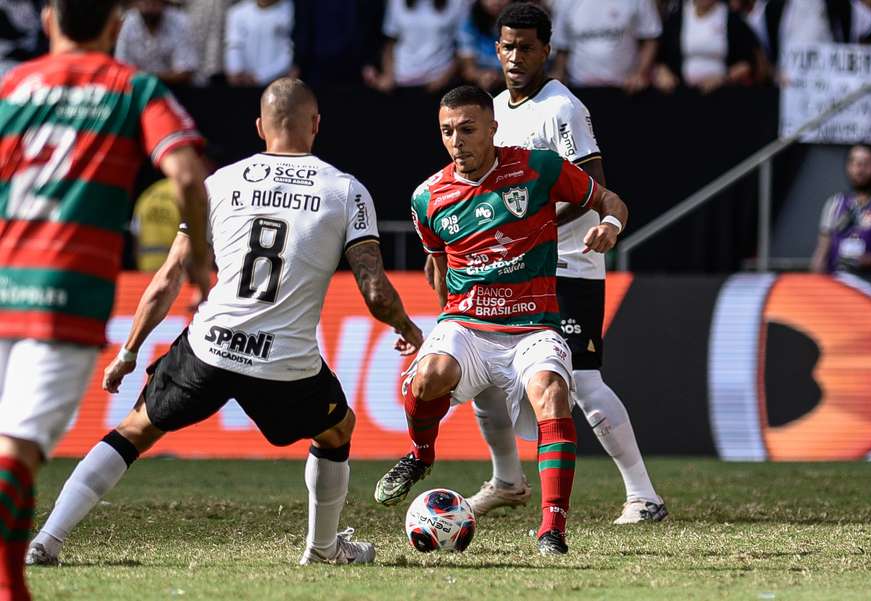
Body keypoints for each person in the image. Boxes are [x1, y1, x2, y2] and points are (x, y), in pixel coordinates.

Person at [26, 78, 424, 568]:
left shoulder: (220, 183)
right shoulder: (345, 190)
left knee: (134, 429)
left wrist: (129, 352)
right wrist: (408, 329)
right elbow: (376, 291)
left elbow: (170, 276)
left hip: (210, 345)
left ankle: (47, 539)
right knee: (337, 430)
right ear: (316, 125)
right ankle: (322, 549)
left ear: (260, 127)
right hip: (284, 363)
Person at [0, 0, 209, 597]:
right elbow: (188, 174)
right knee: (17, 448)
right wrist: (197, 264)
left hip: (4, 279)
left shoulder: (14, 84)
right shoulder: (133, 87)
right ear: (115, 29)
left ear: (48, 24)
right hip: (64, 291)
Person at [375, 84, 629, 555]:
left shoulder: (538, 168)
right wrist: (439, 330)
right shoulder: (427, 198)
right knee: (428, 375)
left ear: (493, 127)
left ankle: (552, 528)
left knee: (552, 391)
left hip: (532, 325)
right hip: (468, 325)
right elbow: (439, 266)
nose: (457, 141)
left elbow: (612, 201)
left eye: (468, 129)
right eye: (447, 132)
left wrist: (609, 227)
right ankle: (420, 455)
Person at [461, 2, 667, 525]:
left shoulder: (562, 108)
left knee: (583, 380)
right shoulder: (494, 109)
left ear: (547, 50)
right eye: (507, 46)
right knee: (490, 373)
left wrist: (539, 223)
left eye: (526, 47)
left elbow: (594, 187)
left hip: (569, 263)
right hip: (512, 267)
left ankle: (644, 495)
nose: (514, 57)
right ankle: (507, 480)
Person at [811, 144, 871, 273]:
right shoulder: (835, 204)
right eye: (853, 162)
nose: (859, 169)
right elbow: (820, 255)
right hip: (839, 287)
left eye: (866, 163)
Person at [549, 0, 662, 92]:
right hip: (580, 89)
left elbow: (650, 37)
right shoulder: (564, 2)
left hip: (626, 89)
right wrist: (558, 78)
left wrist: (640, 72)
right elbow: (562, 47)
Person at [655, 0, 764, 94]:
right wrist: (663, 72)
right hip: (682, 93)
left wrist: (723, 79)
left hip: (724, 94)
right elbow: (660, 56)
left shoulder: (732, 19)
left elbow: (747, 63)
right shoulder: (676, 18)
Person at [363, 0, 470, 93]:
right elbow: (390, 42)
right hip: (402, 83)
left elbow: (465, 47)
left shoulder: (457, 3)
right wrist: (389, 74)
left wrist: (445, 78)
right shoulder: (396, 2)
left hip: (440, 84)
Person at [759, 0, 871, 66]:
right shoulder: (773, 7)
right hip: (787, 91)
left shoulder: (843, 5)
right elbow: (762, 55)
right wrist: (775, 73)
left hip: (832, 87)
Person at [114, 0, 199, 86]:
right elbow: (122, 68)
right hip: (137, 88)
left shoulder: (181, 22)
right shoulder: (127, 22)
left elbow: (185, 73)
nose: (149, 4)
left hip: (175, 90)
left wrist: (146, 78)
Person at [225, 0, 297, 87]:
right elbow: (234, 45)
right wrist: (237, 70)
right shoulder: (238, 11)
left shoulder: (292, 10)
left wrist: (262, 76)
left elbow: (291, 52)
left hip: (278, 85)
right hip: (244, 84)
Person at [458, 0, 513, 92]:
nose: (496, 2)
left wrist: (500, 77)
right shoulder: (469, 24)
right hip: (481, 85)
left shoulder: (523, 25)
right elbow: (468, 69)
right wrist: (481, 75)